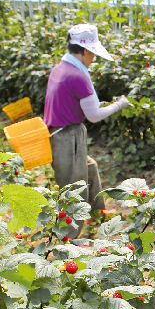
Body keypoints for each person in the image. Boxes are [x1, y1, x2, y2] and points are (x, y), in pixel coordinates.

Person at [43, 23, 128, 233]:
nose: (94, 59)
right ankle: (70, 237)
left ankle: (97, 211)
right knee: (74, 186)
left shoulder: (60, 68)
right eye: (93, 54)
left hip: (60, 131)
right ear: (85, 51)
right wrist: (118, 105)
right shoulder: (78, 76)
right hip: (67, 136)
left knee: (90, 168)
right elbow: (94, 115)